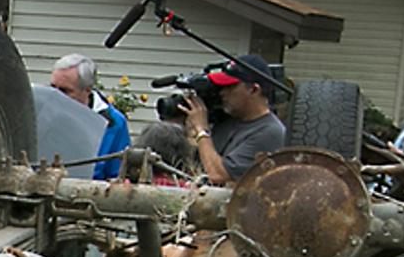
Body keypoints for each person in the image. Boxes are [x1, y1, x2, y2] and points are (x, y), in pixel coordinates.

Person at [133, 54, 287, 182]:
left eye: (229, 87)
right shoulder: (227, 120)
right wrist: (183, 127)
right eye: (220, 87)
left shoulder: (269, 132)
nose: (222, 93)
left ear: (253, 90)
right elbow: (194, 165)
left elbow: (218, 175)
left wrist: (202, 130)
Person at [33, 53, 110, 176]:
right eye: (52, 88)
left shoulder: (113, 123)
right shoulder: (42, 110)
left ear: (87, 90)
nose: (56, 96)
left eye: (64, 91)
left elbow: (116, 173)